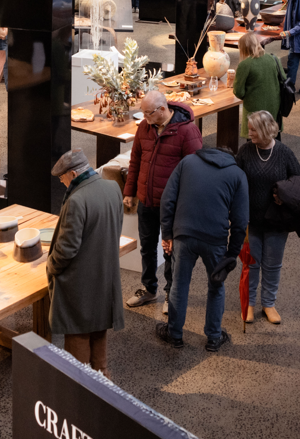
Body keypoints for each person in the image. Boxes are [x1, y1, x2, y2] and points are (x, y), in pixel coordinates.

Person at [158, 146, 249, 351]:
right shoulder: (237, 174)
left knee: (179, 285)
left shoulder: (188, 162)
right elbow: (241, 220)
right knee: (216, 287)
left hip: (184, 234)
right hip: (215, 239)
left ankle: (174, 335)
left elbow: (167, 199)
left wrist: (167, 234)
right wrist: (232, 254)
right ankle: (214, 338)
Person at [48, 148, 125, 377]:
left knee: (77, 331)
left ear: (72, 174)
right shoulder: (112, 187)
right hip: (105, 272)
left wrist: (51, 266)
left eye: (62, 178)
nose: (62, 183)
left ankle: (78, 386)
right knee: (99, 325)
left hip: (79, 281)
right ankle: (102, 376)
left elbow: (67, 248)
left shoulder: (77, 200)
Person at [123, 89, 202, 309]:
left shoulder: (187, 131)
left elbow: (195, 171)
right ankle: (149, 289)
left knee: (171, 251)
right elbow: (135, 160)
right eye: (143, 113)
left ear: (163, 109)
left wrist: (186, 205)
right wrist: (129, 191)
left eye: (148, 113)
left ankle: (170, 293)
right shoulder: (144, 127)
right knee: (147, 247)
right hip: (147, 200)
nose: (145, 118)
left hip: (172, 206)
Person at [234, 110, 300, 325]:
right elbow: (234, 180)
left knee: (273, 264)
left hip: (277, 221)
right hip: (251, 220)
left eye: (253, 130)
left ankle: (269, 304)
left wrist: (286, 195)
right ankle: (249, 305)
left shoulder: (284, 153)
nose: (249, 133)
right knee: (251, 264)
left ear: (265, 130)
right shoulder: (245, 151)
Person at [232, 32, 284, 132]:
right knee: (273, 134)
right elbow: (283, 79)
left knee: (255, 136)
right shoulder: (273, 58)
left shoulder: (245, 64)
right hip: (274, 104)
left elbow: (238, 92)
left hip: (254, 107)